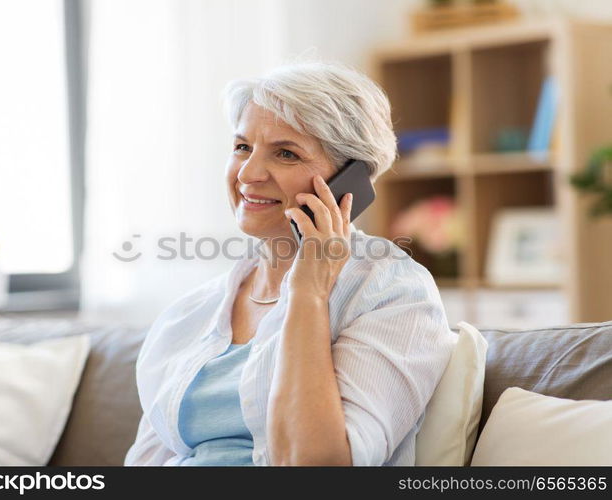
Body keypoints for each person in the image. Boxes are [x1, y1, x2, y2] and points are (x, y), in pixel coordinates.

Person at [124, 61, 456, 466]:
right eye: (242, 146)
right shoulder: (190, 314)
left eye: (285, 153)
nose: (248, 173)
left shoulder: (392, 292)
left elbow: (317, 466)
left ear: (350, 179)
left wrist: (308, 292)